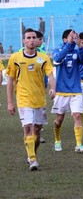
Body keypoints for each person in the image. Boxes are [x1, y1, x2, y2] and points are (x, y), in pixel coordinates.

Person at [6, 28, 56, 171]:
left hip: (39, 99)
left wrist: (53, 88)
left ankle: (32, 152)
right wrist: (10, 102)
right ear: (23, 41)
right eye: (28, 38)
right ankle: (33, 160)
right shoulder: (15, 58)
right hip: (23, 98)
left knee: (37, 131)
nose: (31, 40)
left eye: (33, 37)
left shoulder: (43, 58)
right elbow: (10, 80)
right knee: (28, 127)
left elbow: (51, 76)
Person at [51, 29, 83, 153]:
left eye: (74, 36)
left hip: (76, 90)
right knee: (59, 120)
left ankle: (79, 144)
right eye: (70, 37)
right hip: (61, 91)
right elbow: (57, 59)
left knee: (77, 115)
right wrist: (69, 44)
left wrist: (79, 45)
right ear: (64, 39)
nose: (73, 38)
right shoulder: (57, 51)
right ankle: (57, 140)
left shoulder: (77, 51)